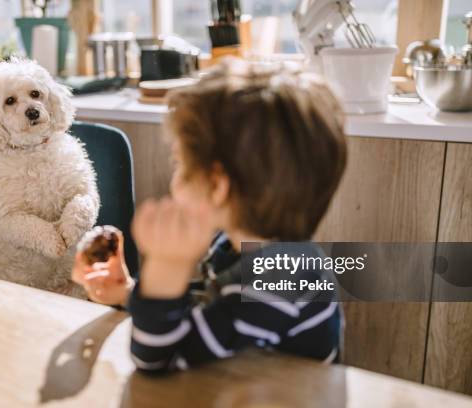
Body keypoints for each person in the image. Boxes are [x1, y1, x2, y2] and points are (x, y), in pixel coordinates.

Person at [72, 58, 347, 372]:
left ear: (217, 185)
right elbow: (205, 316)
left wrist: (165, 265)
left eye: (180, 162)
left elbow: (159, 358)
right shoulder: (241, 248)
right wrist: (129, 292)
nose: (174, 177)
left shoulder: (281, 282)